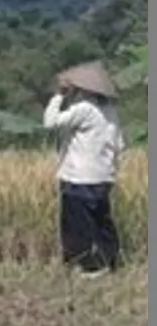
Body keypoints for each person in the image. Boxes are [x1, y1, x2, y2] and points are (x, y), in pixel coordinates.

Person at [43, 61, 125, 277]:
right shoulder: (110, 111)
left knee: (78, 224)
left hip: (80, 177)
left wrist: (58, 96)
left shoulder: (84, 109)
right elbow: (120, 145)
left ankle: (88, 265)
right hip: (104, 176)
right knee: (102, 221)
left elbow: (50, 122)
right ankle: (109, 260)